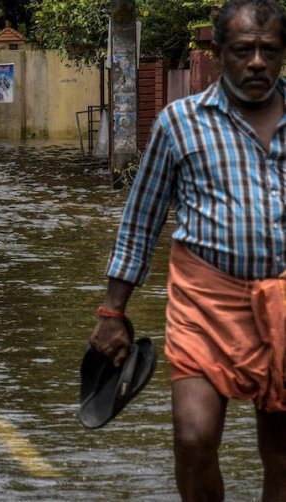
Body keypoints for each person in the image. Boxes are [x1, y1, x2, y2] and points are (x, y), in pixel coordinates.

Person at [89, 1, 286, 499]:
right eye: (244, 50)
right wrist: (112, 310)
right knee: (192, 437)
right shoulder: (181, 123)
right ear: (219, 52)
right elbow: (141, 219)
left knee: (282, 453)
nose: (257, 62)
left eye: (270, 51)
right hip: (204, 303)